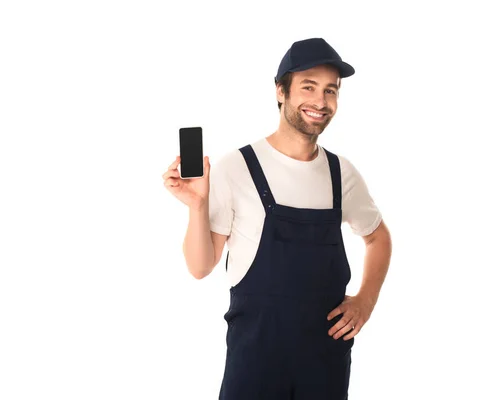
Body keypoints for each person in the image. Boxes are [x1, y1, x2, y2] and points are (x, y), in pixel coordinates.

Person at [162, 38, 392, 399]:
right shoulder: (237, 168)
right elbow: (200, 266)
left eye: (331, 91)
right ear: (280, 92)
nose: (320, 101)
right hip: (254, 366)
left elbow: (378, 237)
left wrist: (365, 300)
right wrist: (197, 206)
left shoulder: (340, 174)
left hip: (325, 367)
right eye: (309, 87)